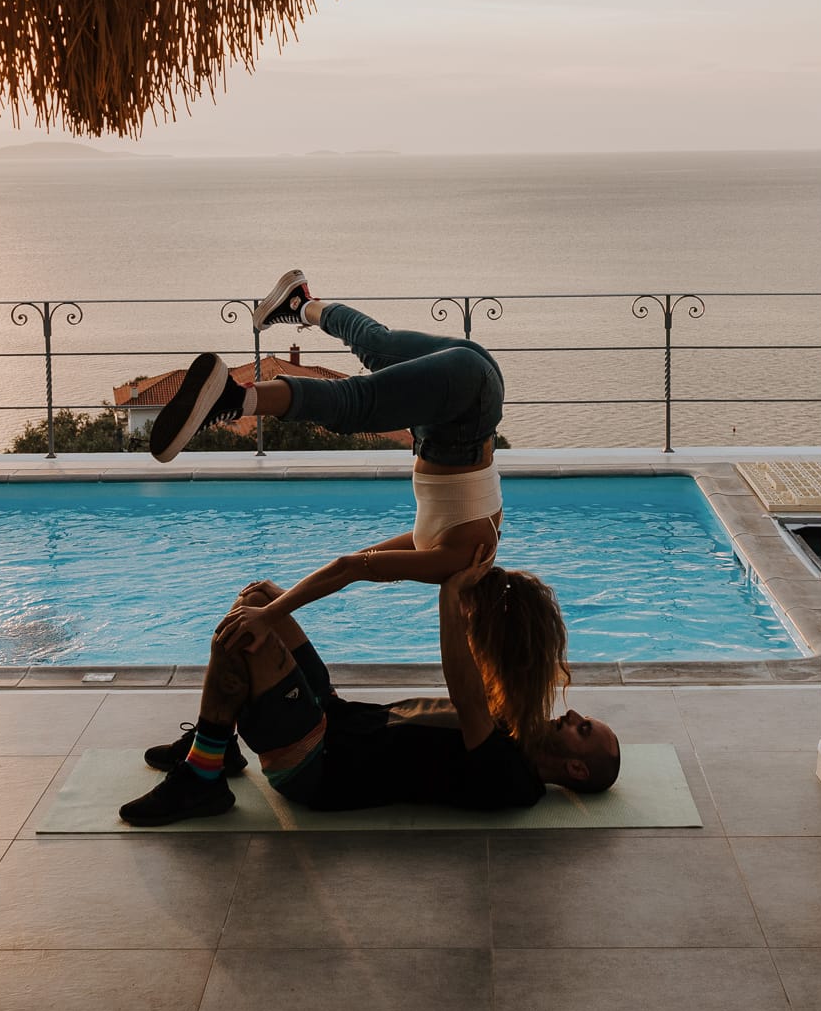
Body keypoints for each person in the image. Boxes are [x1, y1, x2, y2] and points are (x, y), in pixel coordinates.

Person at [147, 269, 570, 747]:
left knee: (376, 345)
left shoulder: (459, 551)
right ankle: (235, 398)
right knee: (356, 403)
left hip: (463, 396)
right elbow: (352, 568)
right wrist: (272, 614)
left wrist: (284, 606)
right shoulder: (456, 559)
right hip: (464, 404)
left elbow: (358, 560)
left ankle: (299, 303)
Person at [122, 563, 621, 826]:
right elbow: (497, 665)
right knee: (259, 599)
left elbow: (465, 689)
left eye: (583, 729)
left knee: (238, 637)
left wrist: (450, 596)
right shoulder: (516, 727)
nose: (573, 714)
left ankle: (203, 777)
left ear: (577, 769)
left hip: (316, 762)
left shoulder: (512, 778)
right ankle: (221, 745)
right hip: (335, 716)